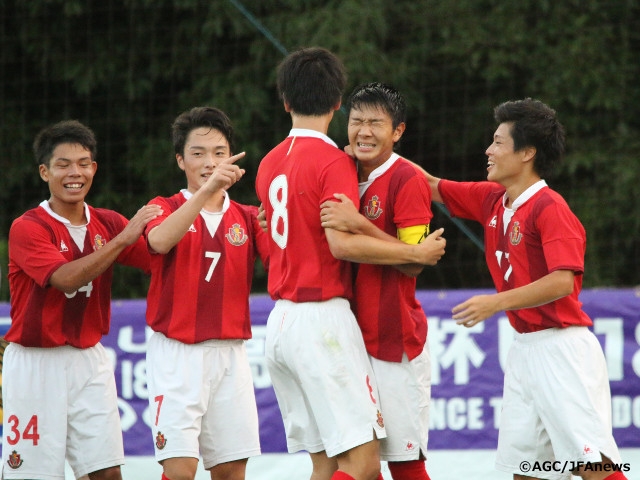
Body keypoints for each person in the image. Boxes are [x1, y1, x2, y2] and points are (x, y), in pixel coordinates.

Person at [255, 47, 446, 480]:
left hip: (281, 323)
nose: (362, 130)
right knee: (362, 463)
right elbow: (341, 245)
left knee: (327, 463)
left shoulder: (268, 163)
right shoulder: (333, 160)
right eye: (358, 119)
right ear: (339, 104)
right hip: (324, 323)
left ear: (285, 100)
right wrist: (414, 253)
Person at [423, 98, 627, 480]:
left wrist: (496, 303)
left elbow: (562, 281)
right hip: (525, 352)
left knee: (594, 465)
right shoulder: (493, 200)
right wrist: (375, 154)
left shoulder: (550, 207)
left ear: (528, 153)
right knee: (528, 472)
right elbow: (431, 185)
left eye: (499, 142)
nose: (488, 150)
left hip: (561, 350)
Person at [2, 119, 161, 480]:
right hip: (35, 365)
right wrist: (123, 239)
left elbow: (160, 259)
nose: (75, 173)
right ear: (45, 172)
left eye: (84, 163)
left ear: (94, 168)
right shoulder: (28, 227)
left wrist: (204, 204)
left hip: (90, 362)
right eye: (63, 165)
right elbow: (66, 278)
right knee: (34, 476)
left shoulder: (108, 222)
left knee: (106, 473)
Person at [143, 106, 269, 480]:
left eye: (219, 153)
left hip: (230, 355)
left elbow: (282, 260)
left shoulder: (248, 216)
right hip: (178, 355)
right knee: (181, 469)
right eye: (198, 153)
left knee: (231, 470)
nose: (209, 162)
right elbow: (160, 241)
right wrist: (209, 190)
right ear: (180, 159)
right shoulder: (163, 207)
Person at [319, 82, 434, 480]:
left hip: (392, 339)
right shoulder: (339, 170)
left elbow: (413, 263)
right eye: (356, 121)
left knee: (404, 463)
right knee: (352, 462)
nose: (363, 132)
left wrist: (358, 224)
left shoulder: (408, 180)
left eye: (375, 123)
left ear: (397, 131)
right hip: (342, 338)